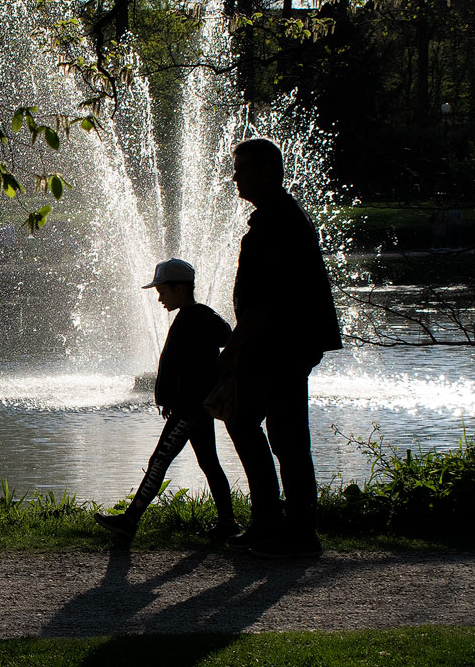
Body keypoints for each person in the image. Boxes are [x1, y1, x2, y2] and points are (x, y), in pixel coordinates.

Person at [216, 137, 342, 559]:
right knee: (244, 420)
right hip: (274, 343)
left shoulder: (279, 222)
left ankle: (299, 531)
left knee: (286, 438)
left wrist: (233, 348)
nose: (235, 177)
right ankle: (272, 519)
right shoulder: (272, 217)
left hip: (282, 344)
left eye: (244, 169)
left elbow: (266, 302)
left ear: (268, 172)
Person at [94, 258, 239, 539]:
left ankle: (130, 520)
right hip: (195, 407)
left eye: (162, 290)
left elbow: (182, 364)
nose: (159, 298)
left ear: (180, 289)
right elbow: (225, 338)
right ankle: (227, 523)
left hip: (189, 410)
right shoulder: (200, 316)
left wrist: (175, 397)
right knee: (209, 462)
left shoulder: (191, 318)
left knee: (159, 461)